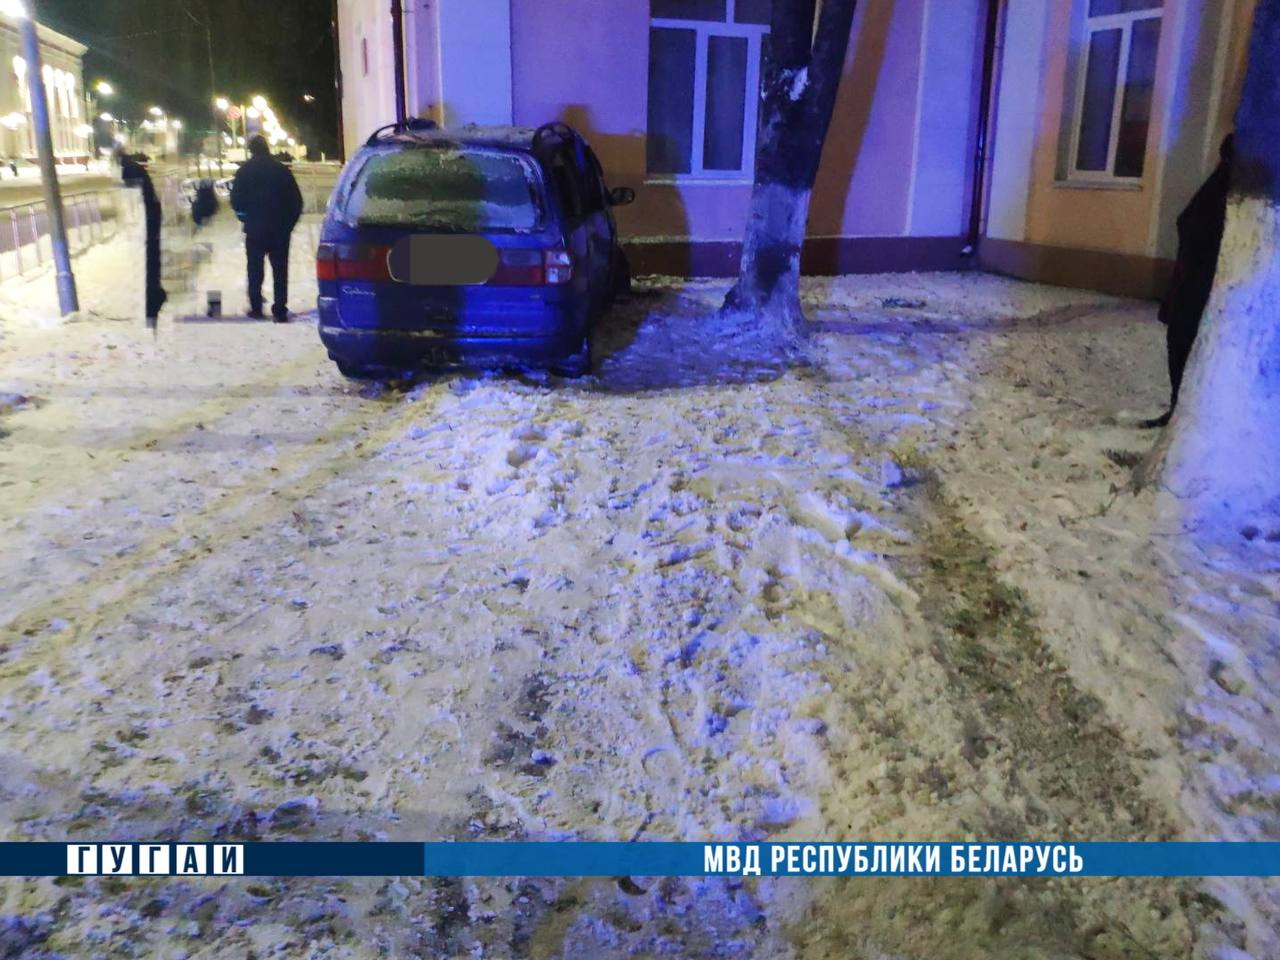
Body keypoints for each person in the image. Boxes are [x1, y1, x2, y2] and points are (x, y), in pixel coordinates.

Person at [1142, 134, 1234, 429]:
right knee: (1180, 343)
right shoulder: (1222, 183)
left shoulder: (1239, 191)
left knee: (1190, 344)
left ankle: (1189, 415)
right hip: (1191, 278)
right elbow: (1191, 223)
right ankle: (1179, 409)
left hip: (1206, 283)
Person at [230, 135, 303, 322]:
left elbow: (236, 200)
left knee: (254, 269)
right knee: (280, 270)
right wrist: (288, 225)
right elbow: (296, 202)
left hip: (255, 229)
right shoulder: (281, 170)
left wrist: (244, 217)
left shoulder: (244, 171)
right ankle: (280, 309)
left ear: (251, 150)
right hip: (279, 230)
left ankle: (256, 307)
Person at [119, 149, 167, 328]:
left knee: (147, 264)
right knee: (152, 261)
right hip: (151, 219)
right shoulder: (135, 170)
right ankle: (154, 300)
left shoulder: (127, 172)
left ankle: (150, 310)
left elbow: (132, 203)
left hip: (145, 222)